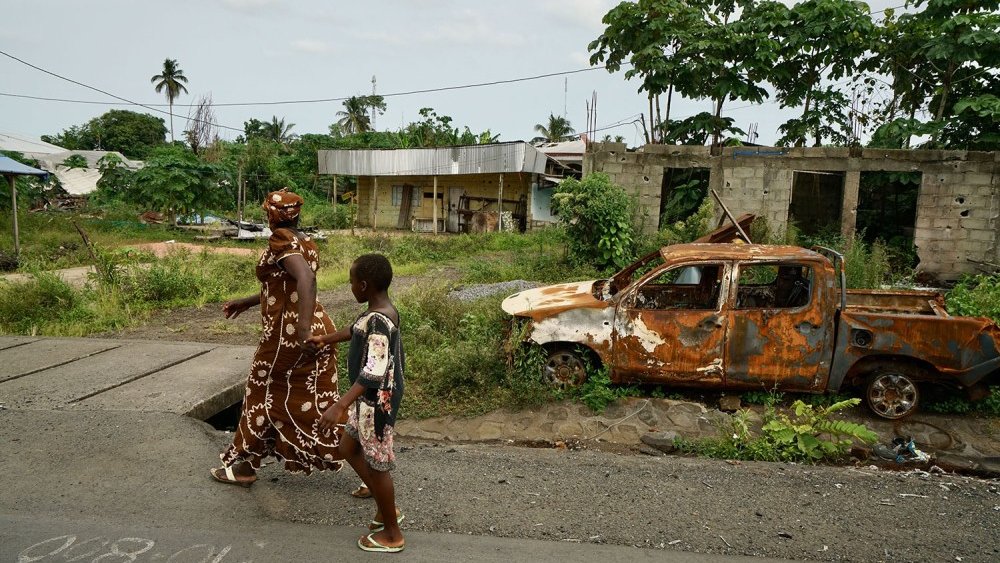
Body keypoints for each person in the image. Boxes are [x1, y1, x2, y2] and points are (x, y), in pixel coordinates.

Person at [210, 188, 344, 486]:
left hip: (287, 335)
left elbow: (306, 279)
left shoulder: (281, 238)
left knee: (259, 394)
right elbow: (283, 286)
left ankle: (244, 465)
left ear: (275, 214)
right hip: (316, 328)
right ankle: (368, 466)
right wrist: (246, 302)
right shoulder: (306, 241)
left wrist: (303, 329)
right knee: (314, 401)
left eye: (267, 211)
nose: (266, 216)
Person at [311, 253, 406, 553]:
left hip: (376, 402)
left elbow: (373, 370)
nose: (349, 286)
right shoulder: (377, 311)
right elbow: (354, 332)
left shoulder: (378, 320)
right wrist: (324, 339)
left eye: (351, 282)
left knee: (377, 465)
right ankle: (385, 507)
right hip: (366, 400)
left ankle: (392, 533)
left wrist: (339, 404)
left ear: (364, 285)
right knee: (347, 448)